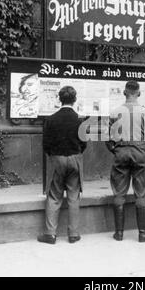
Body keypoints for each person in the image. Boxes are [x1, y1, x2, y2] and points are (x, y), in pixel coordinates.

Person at [106, 80, 145, 243]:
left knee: (119, 192)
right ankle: (143, 233)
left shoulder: (115, 112)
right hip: (141, 152)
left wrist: (116, 150)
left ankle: (119, 233)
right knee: (141, 192)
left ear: (124, 93)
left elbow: (108, 139)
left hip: (121, 151)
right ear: (139, 93)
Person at [37, 86, 87, 245]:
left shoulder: (50, 120)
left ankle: (50, 234)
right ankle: (73, 234)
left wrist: (54, 155)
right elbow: (84, 143)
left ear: (59, 99)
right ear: (75, 99)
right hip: (75, 159)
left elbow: (46, 144)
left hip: (56, 160)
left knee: (54, 195)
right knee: (73, 196)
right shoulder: (80, 120)